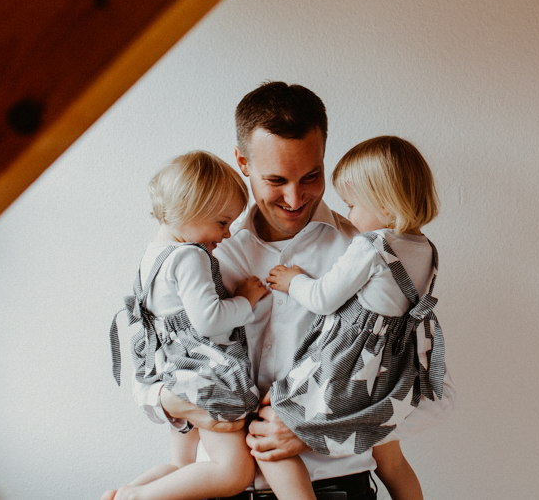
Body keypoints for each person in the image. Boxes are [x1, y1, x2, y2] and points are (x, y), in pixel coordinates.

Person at [134, 82, 454, 500]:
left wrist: (317, 427)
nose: (294, 197)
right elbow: (155, 358)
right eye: (276, 180)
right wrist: (165, 401)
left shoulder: (369, 255)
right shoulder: (201, 252)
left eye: (311, 176)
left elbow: (431, 395)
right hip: (216, 488)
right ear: (242, 163)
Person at [264, 136, 446, 500]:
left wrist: (292, 280)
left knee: (274, 410)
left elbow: (322, 298)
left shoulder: (370, 246)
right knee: (392, 459)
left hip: (349, 360)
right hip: (392, 366)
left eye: (352, 204)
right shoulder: (427, 249)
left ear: (385, 202)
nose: (348, 215)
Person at [105, 151, 268, 500]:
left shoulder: (152, 255)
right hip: (203, 372)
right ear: (188, 209)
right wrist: (246, 300)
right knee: (233, 472)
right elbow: (208, 321)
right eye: (222, 222)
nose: (226, 234)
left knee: (182, 466)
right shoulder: (190, 256)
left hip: (173, 371)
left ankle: (122, 494)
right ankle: (136, 498)